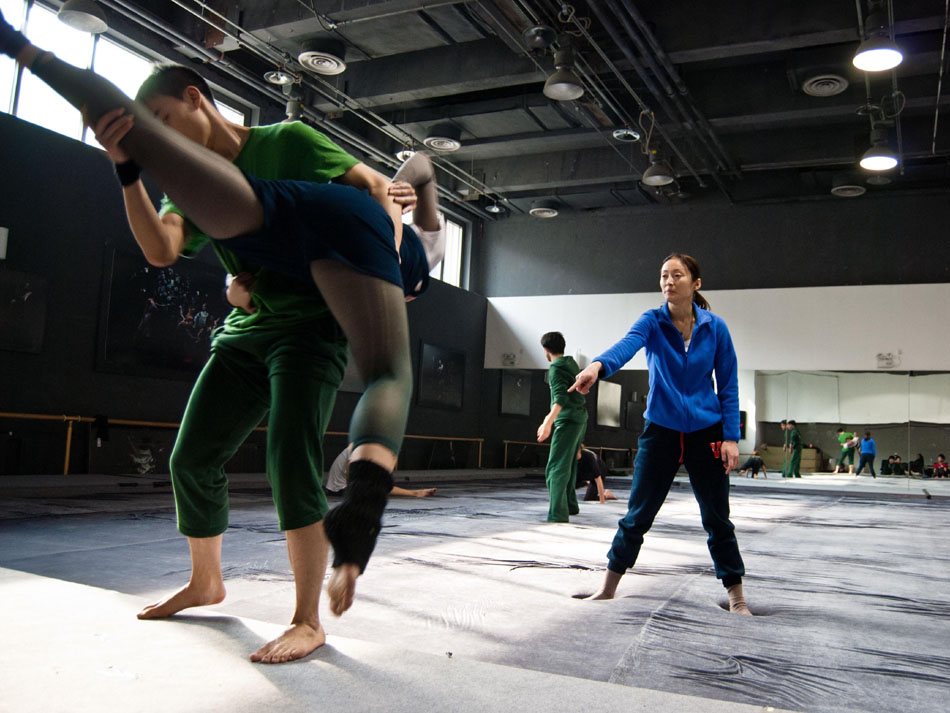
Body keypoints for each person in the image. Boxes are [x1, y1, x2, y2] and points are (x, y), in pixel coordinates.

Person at [0, 22, 441, 662]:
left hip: (309, 328)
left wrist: (392, 248)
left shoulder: (285, 140)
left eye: (163, 116)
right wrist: (128, 172)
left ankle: (307, 618)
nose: (163, 130)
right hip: (246, 333)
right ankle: (207, 580)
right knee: (191, 459)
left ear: (198, 97)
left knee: (292, 462)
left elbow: (380, 184)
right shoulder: (195, 190)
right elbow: (160, 249)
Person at [570, 254, 750, 615]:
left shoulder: (716, 328)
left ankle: (737, 596)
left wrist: (731, 437)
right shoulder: (651, 321)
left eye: (677, 275)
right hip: (661, 431)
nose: (669, 281)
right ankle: (608, 586)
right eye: (664, 275)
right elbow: (626, 345)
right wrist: (597, 366)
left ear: (695, 284)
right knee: (638, 514)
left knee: (717, 517)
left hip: (706, 431)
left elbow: (728, 385)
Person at [537, 332, 588, 522]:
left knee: (556, 467)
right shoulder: (571, 363)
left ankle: (557, 513)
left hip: (567, 421)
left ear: (546, 350)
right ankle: (571, 505)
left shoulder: (556, 368)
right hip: (580, 417)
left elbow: (560, 397)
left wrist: (547, 423)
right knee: (569, 464)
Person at [326, 444, 437, 497]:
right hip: (339, 489)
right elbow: (350, 465)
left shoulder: (367, 446)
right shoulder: (363, 446)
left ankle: (415, 493)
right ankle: (415, 493)